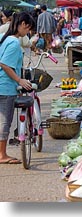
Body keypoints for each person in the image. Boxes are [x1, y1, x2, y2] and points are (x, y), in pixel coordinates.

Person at [0, 12, 34, 164]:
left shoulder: (5, 39)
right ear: (23, 25)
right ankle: (2, 155)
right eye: (28, 29)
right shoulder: (13, 43)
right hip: (6, 87)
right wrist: (19, 80)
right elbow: (5, 64)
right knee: (5, 122)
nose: (28, 32)